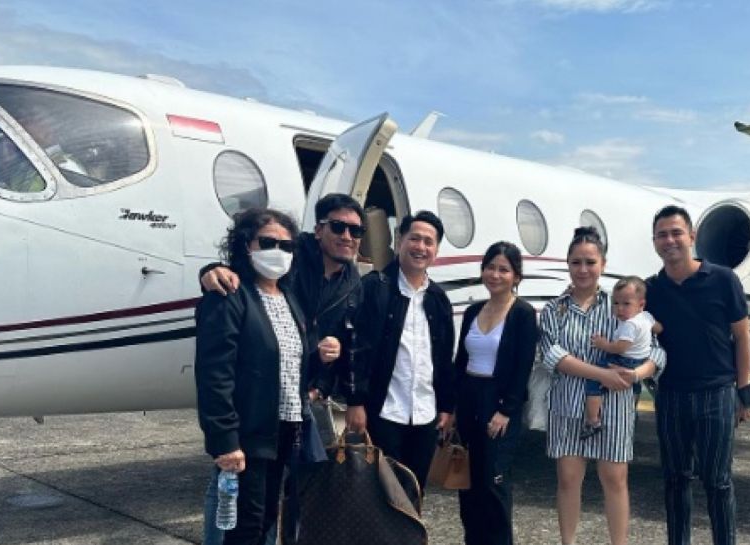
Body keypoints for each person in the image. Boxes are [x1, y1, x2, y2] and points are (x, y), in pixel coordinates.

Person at [198, 193, 366, 545]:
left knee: (264, 521)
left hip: (286, 429)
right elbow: (215, 376)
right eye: (268, 243)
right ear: (246, 245)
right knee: (243, 527)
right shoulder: (231, 295)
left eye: (286, 246)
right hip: (252, 431)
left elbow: (294, 358)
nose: (279, 251)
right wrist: (225, 441)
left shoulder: (291, 297)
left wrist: (322, 362)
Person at [539, 226, 663, 545]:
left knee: (615, 478)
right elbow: (553, 355)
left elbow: (656, 352)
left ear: (603, 265)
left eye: (590, 262)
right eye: (576, 262)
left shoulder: (620, 304)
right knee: (568, 480)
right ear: (567, 264)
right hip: (567, 404)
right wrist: (602, 375)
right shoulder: (554, 309)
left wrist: (637, 374)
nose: (583, 269)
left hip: (615, 407)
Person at [645, 205, 750, 545]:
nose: (669, 240)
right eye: (662, 235)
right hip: (671, 395)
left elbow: (742, 336)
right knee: (675, 480)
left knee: (718, 481)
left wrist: (744, 392)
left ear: (691, 237)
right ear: (654, 242)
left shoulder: (723, 280)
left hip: (716, 394)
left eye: (676, 233)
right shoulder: (651, 290)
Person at [346, 210, 456, 492]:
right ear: (400, 240)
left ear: (436, 250)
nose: (421, 247)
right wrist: (356, 401)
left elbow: (444, 358)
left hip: (425, 412)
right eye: (414, 239)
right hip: (384, 411)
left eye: (429, 242)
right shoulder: (375, 287)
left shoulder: (438, 299)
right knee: (381, 492)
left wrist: (446, 406)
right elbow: (357, 347)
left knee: (414, 490)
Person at [453, 241, 539, 545]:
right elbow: (460, 362)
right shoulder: (473, 311)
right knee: (468, 482)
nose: (495, 274)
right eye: (490, 267)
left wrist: (506, 411)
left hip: (499, 402)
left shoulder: (522, 314)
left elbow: (523, 366)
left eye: (504, 269)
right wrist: (452, 407)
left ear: (516, 276)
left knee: (494, 483)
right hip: (469, 397)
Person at [584, 276, 662, 437]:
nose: (619, 309)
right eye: (616, 303)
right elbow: (659, 328)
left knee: (593, 380)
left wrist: (603, 344)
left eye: (626, 304)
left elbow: (620, 348)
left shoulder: (630, 325)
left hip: (624, 360)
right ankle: (631, 409)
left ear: (641, 304)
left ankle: (593, 420)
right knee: (635, 386)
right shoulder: (646, 316)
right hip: (640, 360)